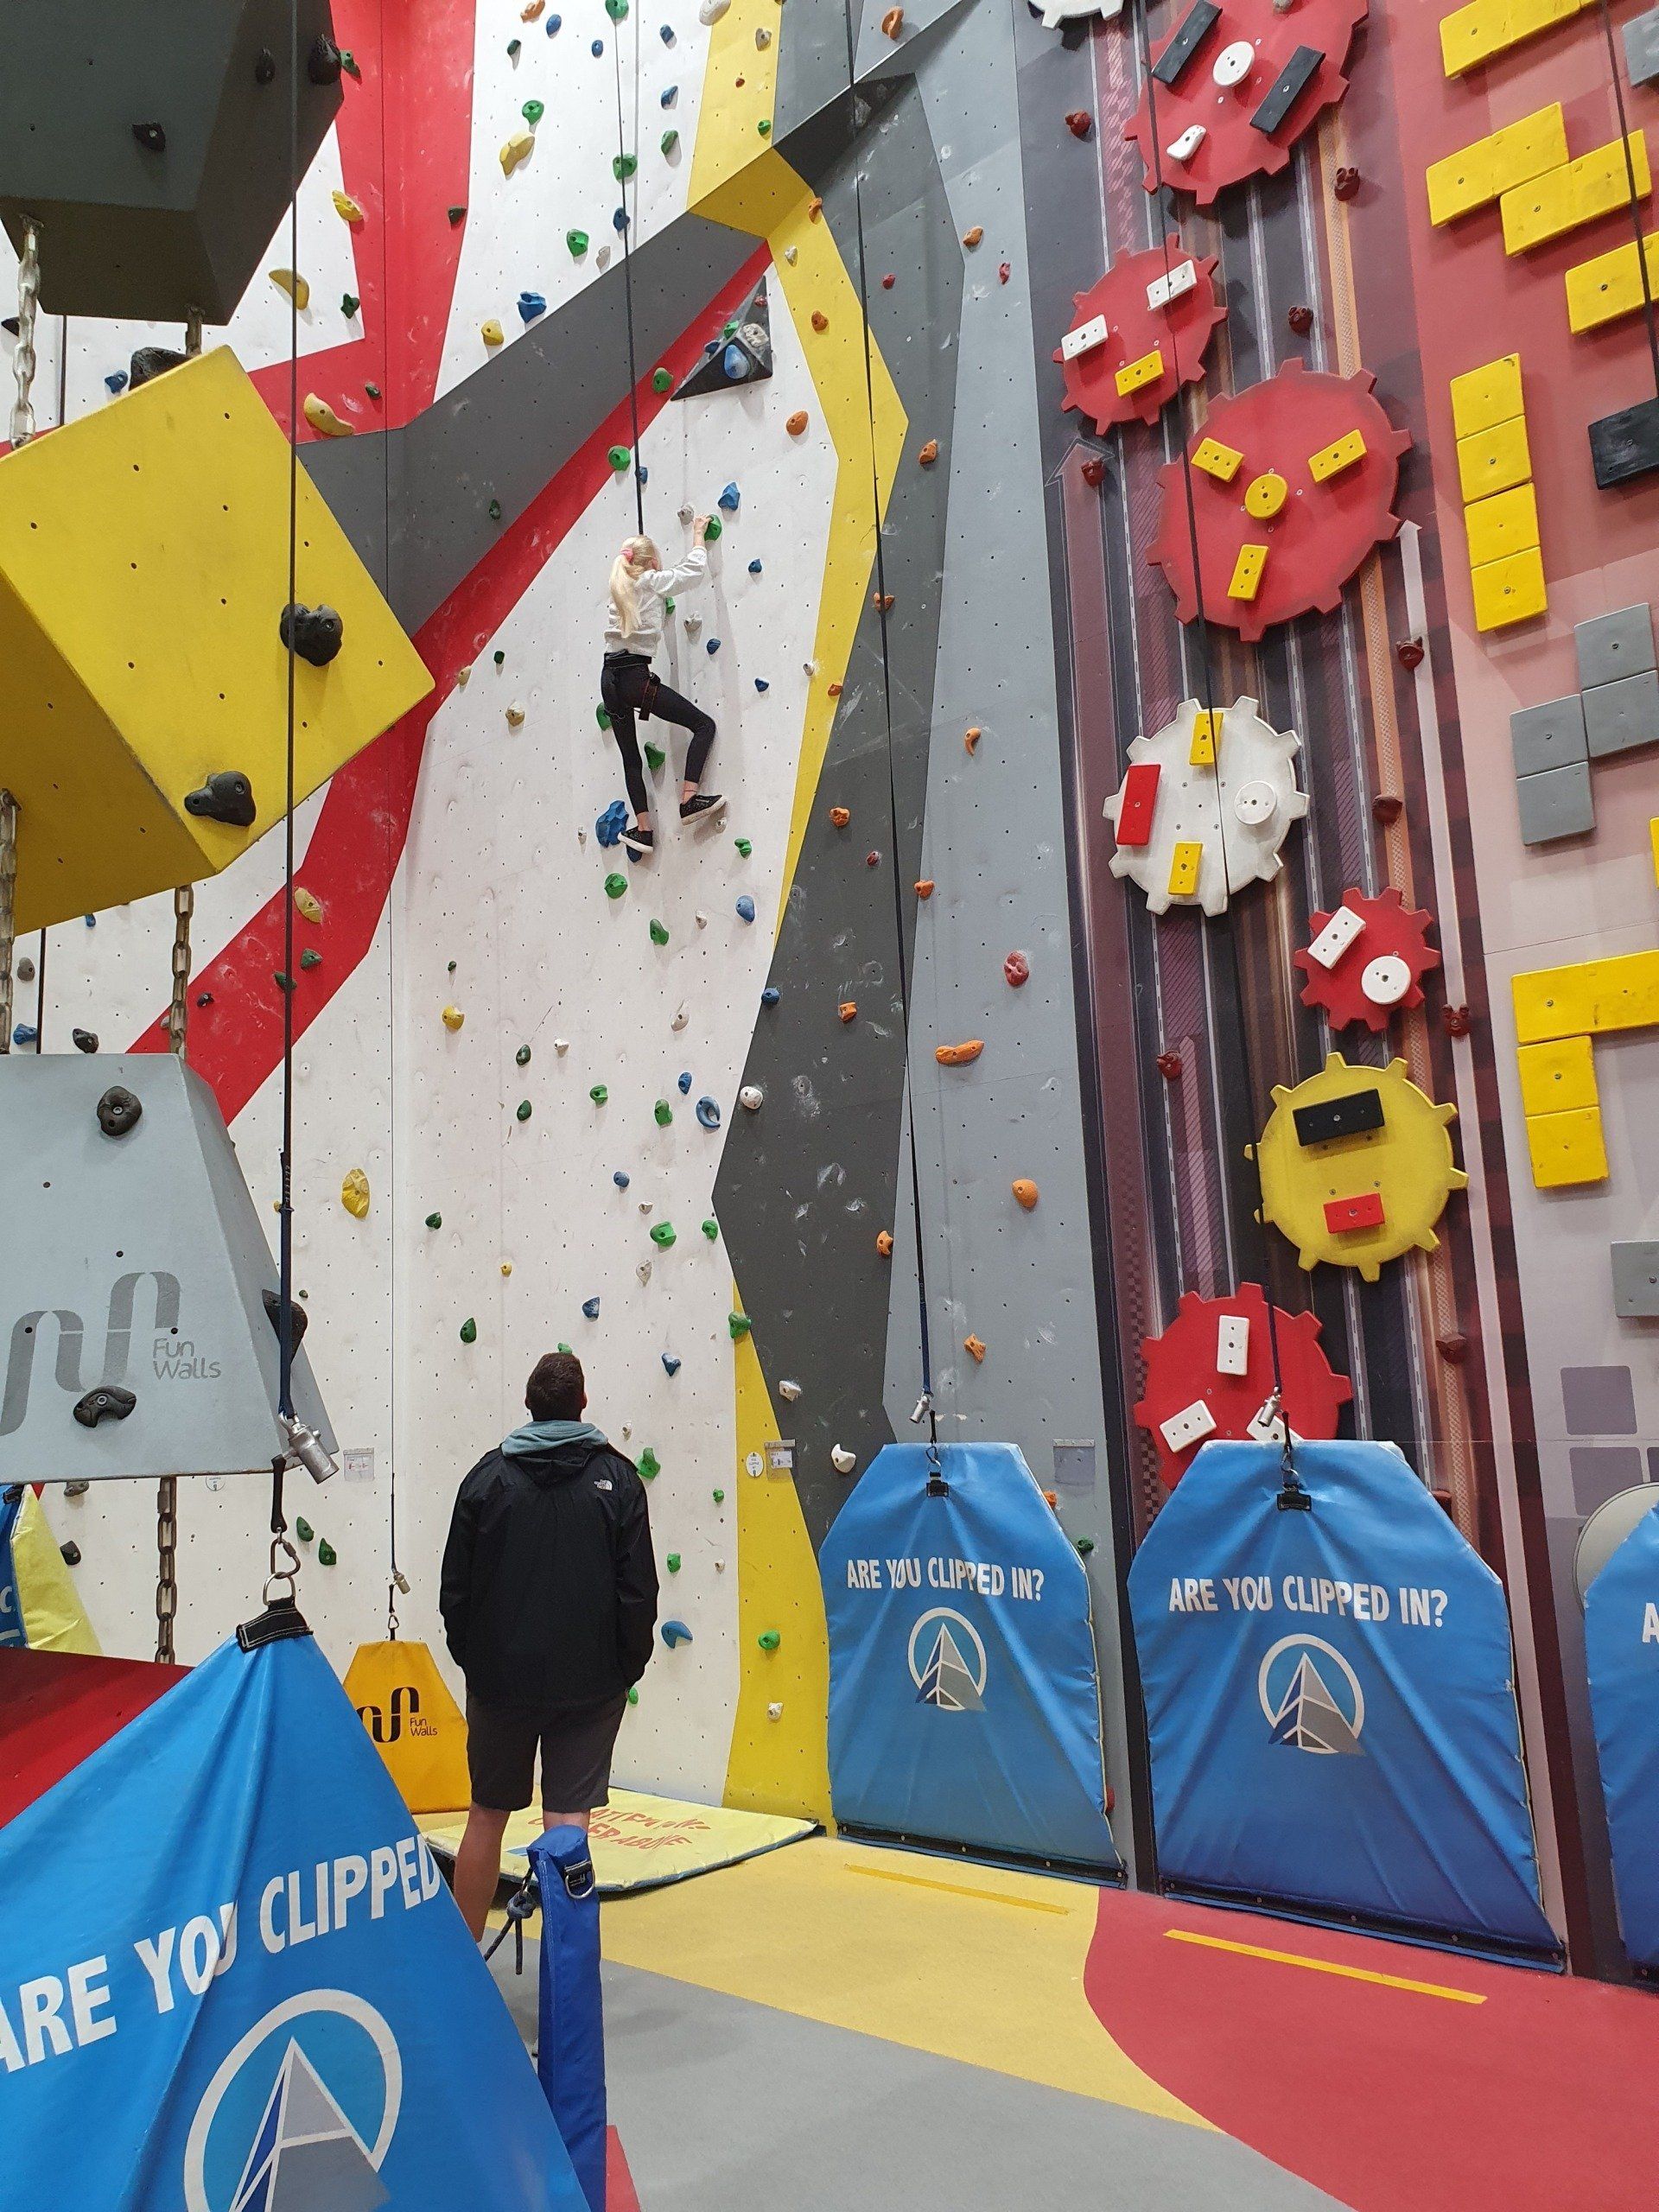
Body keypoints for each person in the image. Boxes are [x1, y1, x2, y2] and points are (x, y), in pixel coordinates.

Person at [439, 1351, 658, 1941]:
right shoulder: (619, 1481)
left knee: (487, 1815)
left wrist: (477, 1664)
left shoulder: (485, 1480)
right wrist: (624, 1669)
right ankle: (567, 1973)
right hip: (591, 1686)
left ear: (528, 1405)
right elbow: (639, 1590)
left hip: (500, 1685)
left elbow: (455, 1592)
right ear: (582, 1403)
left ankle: (461, 1969)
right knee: (567, 1825)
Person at [601, 523, 725, 859]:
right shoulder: (651, 582)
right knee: (704, 725)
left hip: (609, 680)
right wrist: (697, 536)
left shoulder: (619, 590)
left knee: (631, 758)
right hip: (635, 678)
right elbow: (692, 573)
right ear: (653, 562)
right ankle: (689, 800)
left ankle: (643, 830)